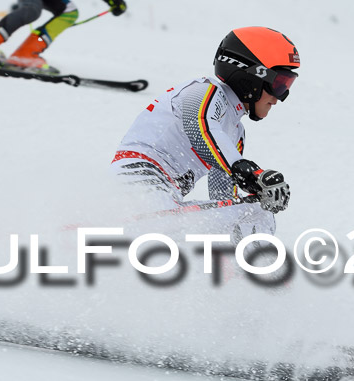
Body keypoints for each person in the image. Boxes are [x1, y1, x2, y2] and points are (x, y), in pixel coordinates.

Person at [110, 26, 299, 241]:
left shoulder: (235, 131)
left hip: (164, 198)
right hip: (138, 182)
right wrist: (251, 175)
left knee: (255, 212)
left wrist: (258, 192)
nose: (280, 98)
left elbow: (224, 197)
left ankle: (247, 270)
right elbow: (198, 127)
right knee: (253, 213)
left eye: (287, 85)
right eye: (279, 84)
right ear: (252, 76)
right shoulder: (204, 90)